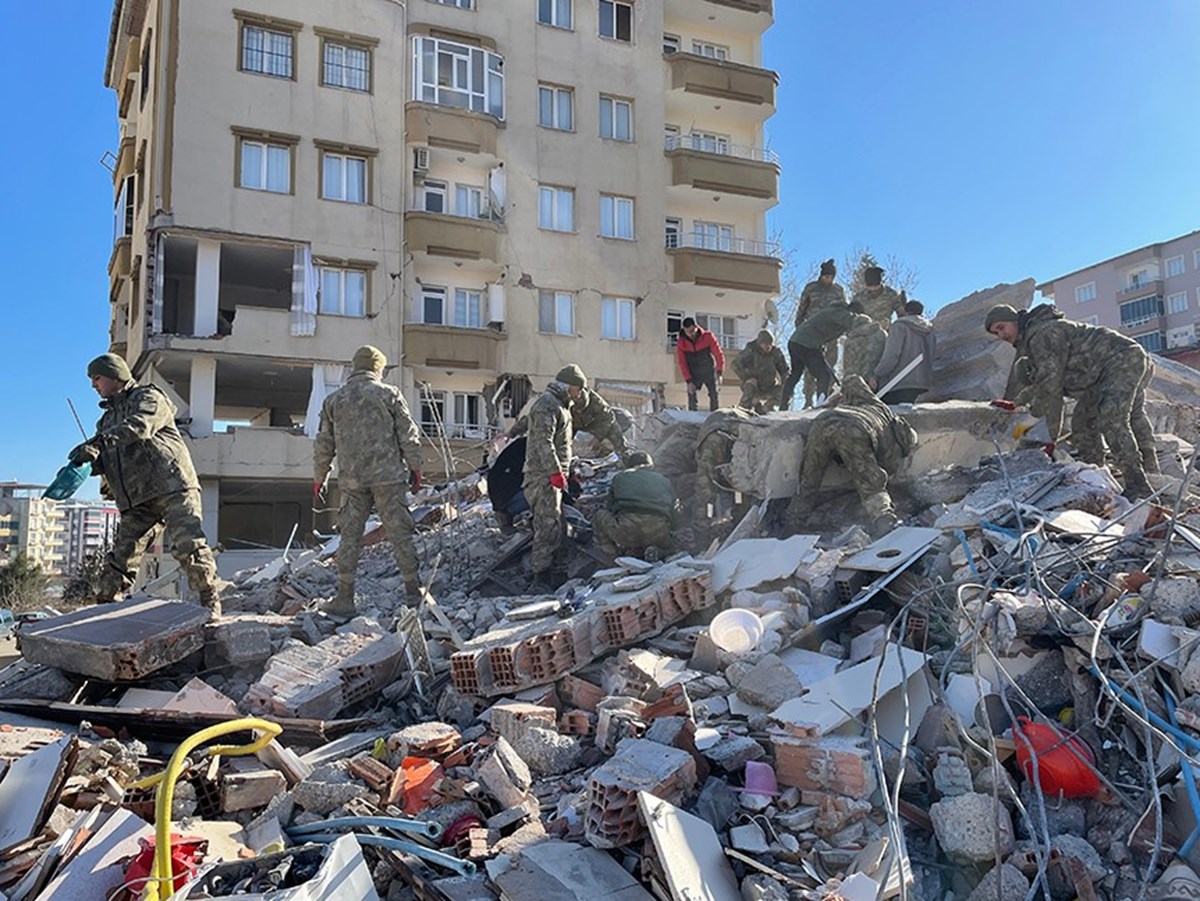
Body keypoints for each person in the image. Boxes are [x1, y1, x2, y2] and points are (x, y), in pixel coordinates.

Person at [69, 353, 222, 613]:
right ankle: (104, 609)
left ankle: (210, 602)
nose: (94, 385)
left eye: (97, 378)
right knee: (121, 558)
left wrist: (98, 444)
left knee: (189, 545)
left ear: (116, 376)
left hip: (171, 485)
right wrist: (85, 464)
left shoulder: (148, 398)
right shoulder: (106, 421)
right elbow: (107, 455)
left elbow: (139, 426)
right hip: (138, 499)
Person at [986, 303, 1155, 498]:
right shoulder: (1033, 347)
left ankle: (1139, 485)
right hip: (1099, 377)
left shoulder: (1043, 334)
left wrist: (1045, 439)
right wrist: (1016, 403)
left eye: (1001, 327)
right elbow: (1041, 385)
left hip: (1122, 359)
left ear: (1015, 320)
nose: (1001, 335)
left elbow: (1050, 390)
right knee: (1082, 425)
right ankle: (1097, 477)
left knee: (1111, 417)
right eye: (995, 333)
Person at [314, 345, 424, 616]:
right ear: (378, 368)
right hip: (388, 478)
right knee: (400, 533)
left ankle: (344, 598)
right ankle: (414, 594)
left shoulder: (334, 400)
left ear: (355, 367)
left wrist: (320, 477)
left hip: (352, 480)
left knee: (349, 537)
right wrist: (416, 468)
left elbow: (323, 444)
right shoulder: (390, 395)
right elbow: (408, 436)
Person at [785, 375, 918, 537]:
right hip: (854, 430)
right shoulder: (890, 429)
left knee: (808, 478)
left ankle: (792, 522)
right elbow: (880, 473)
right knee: (871, 483)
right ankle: (884, 521)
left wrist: (837, 400)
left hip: (823, 421)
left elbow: (851, 383)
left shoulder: (865, 406)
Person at [524, 370, 579, 588]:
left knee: (556, 527)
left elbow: (561, 446)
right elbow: (543, 442)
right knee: (546, 528)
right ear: (568, 386)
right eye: (579, 389)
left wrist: (568, 474)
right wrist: (555, 471)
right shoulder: (547, 405)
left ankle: (556, 576)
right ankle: (540, 580)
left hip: (553, 476)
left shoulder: (561, 406)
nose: (580, 394)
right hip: (542, 477)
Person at [509, 365, 628, 461]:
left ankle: (626, 458)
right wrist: (511, 433)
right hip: (571, 425)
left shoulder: (595, 401)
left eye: (580, 390)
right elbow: (534, 417)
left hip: (593, 425)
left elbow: (608, 417)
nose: (577, 395)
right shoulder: (557, 400)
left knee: (614, 429)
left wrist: (598, 436)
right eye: (574, 390)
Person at [592, 451, 678, 560]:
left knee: (599, 516)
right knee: (674, 540)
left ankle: (614, 559)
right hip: (658, 532)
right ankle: (661, 552)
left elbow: (611, 507)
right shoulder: (664, 480)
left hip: (626, 530)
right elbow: (675, 511)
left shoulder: (620, 477)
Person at [780, 298, 861, 410]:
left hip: (795, 342)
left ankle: (783, 405)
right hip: (807, 344)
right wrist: (870, 322)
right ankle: (821, 404)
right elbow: (854, 321)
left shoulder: (831, 310)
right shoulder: (840, 312)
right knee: (824, 375)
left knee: (795, 374)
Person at [693, 407, 757, 547]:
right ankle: (740, 521)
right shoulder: (750, 415)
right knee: (740, 485)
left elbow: (705, 485)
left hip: (717, 436)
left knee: (707, 488)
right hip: (741, 437)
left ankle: (703, 531)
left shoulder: (712, 430)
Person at [873, 300, 936, 404]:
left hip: (898, 382)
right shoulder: (930, 330)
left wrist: (877, 375)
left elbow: (891, 356)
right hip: (922, 382)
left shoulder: (899, 326)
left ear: (905, 311)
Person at [733, 330, 790, 413]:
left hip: (770, 386)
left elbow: (785, 370)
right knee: (750, 386)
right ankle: (744, 409)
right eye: (765, 344)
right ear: (760, 343)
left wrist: (786, 382)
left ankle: (768, 407)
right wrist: (747, 378)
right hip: (755, 386)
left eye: (770, 344)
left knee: (787, 390)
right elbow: (736, 364)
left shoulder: (776, 353)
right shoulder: (750, 350)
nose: (768, 347)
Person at [676, 318, 725, 412]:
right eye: (687, 332)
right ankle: (692, 416)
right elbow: (682, 363)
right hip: (693, 373)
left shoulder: (708, 336)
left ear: (696, 327)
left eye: (691, 331)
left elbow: (718, 354)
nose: (690, 334)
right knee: (691, 394)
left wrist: (719, 372)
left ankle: (714, 416)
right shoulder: (681, 343)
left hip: (709, 370)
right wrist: (688, 381)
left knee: (714, 394)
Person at [842, 312, 887, 381]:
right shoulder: (881, 333)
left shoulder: (849, 340)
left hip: (856, 382)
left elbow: (848, 367)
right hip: (878, 377)